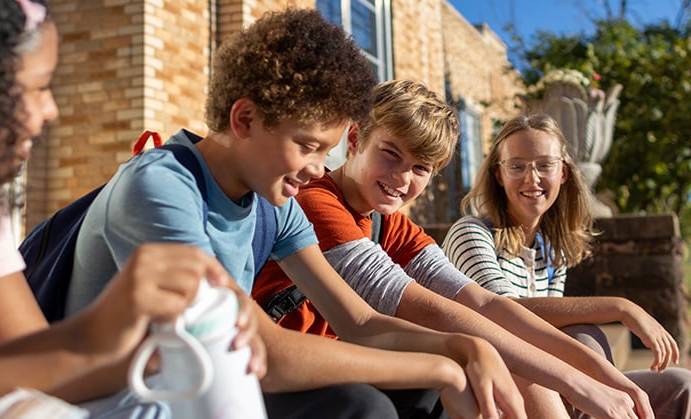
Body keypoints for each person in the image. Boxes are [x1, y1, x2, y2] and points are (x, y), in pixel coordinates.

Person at [66, 8, 527, 419]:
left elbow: (360, 322)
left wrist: (464, 347)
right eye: (307, 146)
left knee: (417, 387)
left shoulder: (275, 205)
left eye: (324, 151)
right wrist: (444, 364)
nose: (316, 168)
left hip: (210, 387)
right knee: (360, 405)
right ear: (244, 120)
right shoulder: (162, 188)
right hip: (139, 400)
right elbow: (259, 350)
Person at [0, 0, 266, 417]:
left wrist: (170, 349)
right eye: (37, 87)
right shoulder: (160, 179)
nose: (51, 110)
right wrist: (86, 338)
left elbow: (33, 370)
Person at [252, 79, 659, 419]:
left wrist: (600, 375)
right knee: (460, 367)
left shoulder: (388, 221)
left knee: (466, 369)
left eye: (420, 168)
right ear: (356, 138)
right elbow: (422, 308)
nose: (402, 177)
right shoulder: (316, 202)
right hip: (280, 371)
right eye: (391, 153)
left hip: (332, 364)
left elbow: (482, 302)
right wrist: (576, 382)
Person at [442, 113, 691, 418]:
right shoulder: (471, 233)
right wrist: (622, 307)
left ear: (563, 173)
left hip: (552, 378)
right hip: (495, 380)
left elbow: (550, 329)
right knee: (569, 341)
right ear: (499, 175)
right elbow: (504, 315)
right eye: (517, 166)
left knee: (682, 385)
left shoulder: (552, 247)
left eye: (545, 165)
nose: (531, 178)